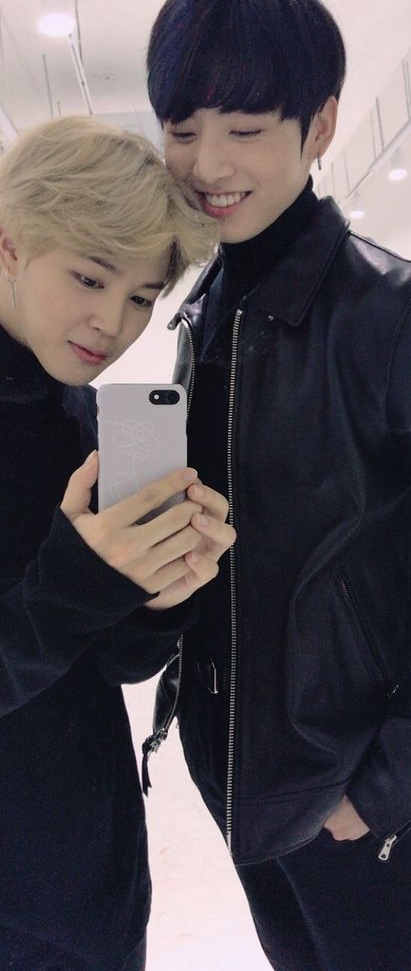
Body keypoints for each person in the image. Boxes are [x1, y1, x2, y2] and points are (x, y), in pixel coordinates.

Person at [145, 0, 411, 968]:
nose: (207, 164)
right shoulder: (204, 311)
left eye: (246, 129)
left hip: (343, 790)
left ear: (319, 125)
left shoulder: (407, 313)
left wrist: (380, 790)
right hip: (232, 776)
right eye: (183, 129)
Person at [0, 115, 235, 971]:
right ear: (10, 246)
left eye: (142, 297)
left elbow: (107, 667)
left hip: (91, 885)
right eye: (90, 277)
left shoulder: (86, 416)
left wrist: (160, 599)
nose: (112, 323)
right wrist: (76, 583)